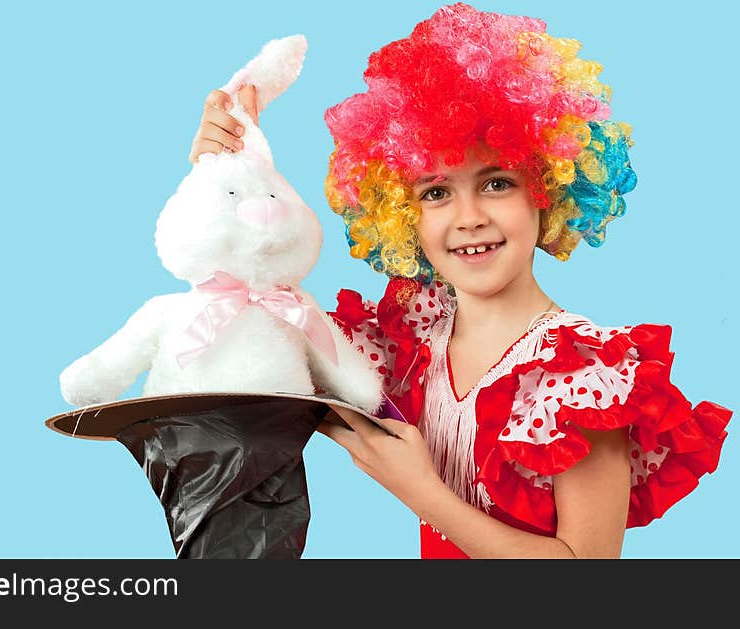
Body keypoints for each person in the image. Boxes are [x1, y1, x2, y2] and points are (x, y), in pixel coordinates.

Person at [186, 3, 733, 558]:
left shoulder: (582, 373)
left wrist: (421, 490)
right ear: (400, 212)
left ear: (548, 190)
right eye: (436, 192)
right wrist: (226, 179)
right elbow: (257, 337)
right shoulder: (408, 344)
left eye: (496, 183)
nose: (468, 216)